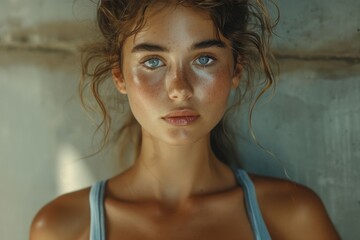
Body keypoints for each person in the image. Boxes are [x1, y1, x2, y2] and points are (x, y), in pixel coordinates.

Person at [30, 0, 340, 239]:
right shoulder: (63, 228)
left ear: (236, 69)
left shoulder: (293, 216)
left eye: (204, 59)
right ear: (119, 74)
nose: (179, 89)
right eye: (153, 61)